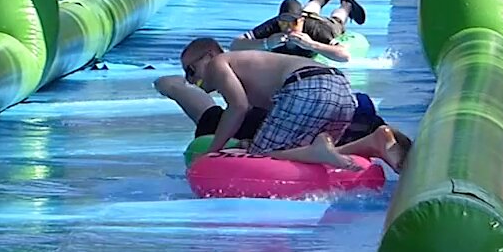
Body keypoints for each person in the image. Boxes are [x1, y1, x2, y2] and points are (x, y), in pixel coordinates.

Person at [178, 38, 409, 172]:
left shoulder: (219, 63)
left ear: (209, 56)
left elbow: (238, 107)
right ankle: (373, 141)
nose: (190, 79)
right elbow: (280, 121)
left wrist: (212, 152)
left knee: (261, 157)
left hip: (307, 87)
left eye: (191, 70)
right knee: (302, 153)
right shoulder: (250, 68)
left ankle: (322, 149)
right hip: (340, 88)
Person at [154, 73, 410, 157]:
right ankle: (168, 83)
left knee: (204, 110)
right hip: (345, 108)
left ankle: (167, 83)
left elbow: (237, 108)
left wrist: (220, 148)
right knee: (196, 101)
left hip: (272, 119)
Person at [231, 0, 366, 63]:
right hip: (304, 15)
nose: (288, 27)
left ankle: (346, 4)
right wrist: (266, 43)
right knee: (307, 11)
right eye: (284, 22)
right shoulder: (274, 25)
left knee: (337, 21)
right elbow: (235, 45)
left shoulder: (316, 29)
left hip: (319, 23)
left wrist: (311, 45)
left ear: (300, 22)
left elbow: (344, 56)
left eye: (293, 22)